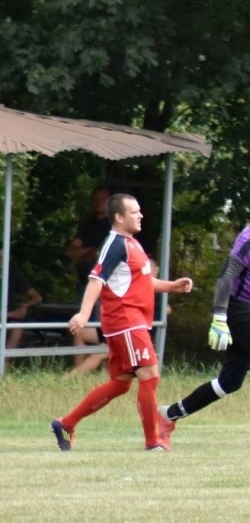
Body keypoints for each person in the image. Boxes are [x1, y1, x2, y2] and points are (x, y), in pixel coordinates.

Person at [157, 185, 250, 446]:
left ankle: (169, 415)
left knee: (230, 381)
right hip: (240, 311)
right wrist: (220, 317)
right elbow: (226, 274)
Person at [51, 194, 193, 451]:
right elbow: (97, 280)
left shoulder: (133, 244)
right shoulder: (114, 244)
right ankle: (153, 442)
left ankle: (66, 423)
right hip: (126, 321)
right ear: (119, 217)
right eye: (134, 212)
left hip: (131, 322)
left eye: (139, 211)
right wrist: (83, 315)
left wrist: (172, 286)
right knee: (149, 375)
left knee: (121, 383)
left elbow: (144, 282)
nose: (140, 215)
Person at [63, 185, 112, 373]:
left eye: (102, 199)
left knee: (103, 328)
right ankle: (81, 369)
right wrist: (90, 252)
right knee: (81, 325)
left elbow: (102, 254)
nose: (98, 202)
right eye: (95, 199)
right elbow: (71, 252)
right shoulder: (86, 225)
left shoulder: (113, 225)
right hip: (84, 283)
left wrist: (88, 252)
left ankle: (104, 371)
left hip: (105, 287)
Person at [5, 261, 44, 349]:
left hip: (8, 317)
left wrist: (24, 306)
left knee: (17, 329)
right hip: (7, 315)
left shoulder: (12, 273)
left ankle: (4, 361)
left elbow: (37, 297)